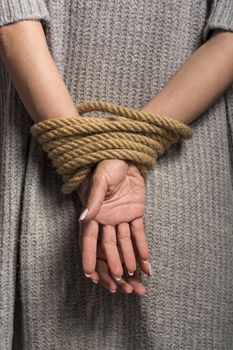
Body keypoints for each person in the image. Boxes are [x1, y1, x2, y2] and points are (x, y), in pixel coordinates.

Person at [0, 0, 233, 349]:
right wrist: (119, 152)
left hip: (50, 159)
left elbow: (14, 18)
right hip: (180, 167)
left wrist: (85, 161)